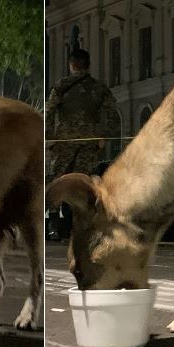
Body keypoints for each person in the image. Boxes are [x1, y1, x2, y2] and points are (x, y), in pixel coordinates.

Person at [45, 49, 120, 241]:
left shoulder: (61, 86)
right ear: (88, 65)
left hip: (64, 142)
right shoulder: (99, 88)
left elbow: (49, 111)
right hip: (89, 143)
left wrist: (49, 137)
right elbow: (113, 114)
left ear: (72, 65)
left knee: (57, 181)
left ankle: (53, 224)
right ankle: (79, 227)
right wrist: (103, 136)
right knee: (82, 184)